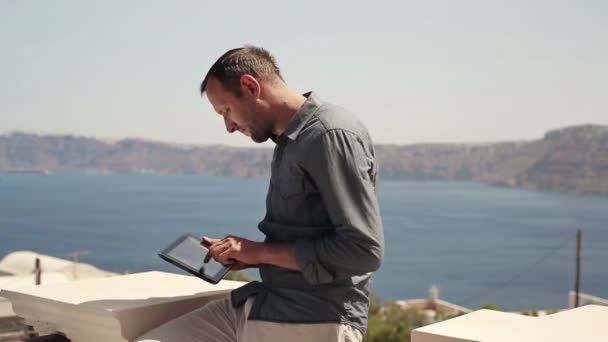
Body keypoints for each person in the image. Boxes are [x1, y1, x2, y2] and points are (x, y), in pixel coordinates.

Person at [137, 45, 384, 342]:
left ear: (250, 86)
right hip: (266, 301)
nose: (228, 126)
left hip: (314, 318)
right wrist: (250, 257)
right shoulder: (289, 141)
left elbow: (362, 252)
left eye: (226, 110)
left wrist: (259, 251)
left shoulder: (329, 135)